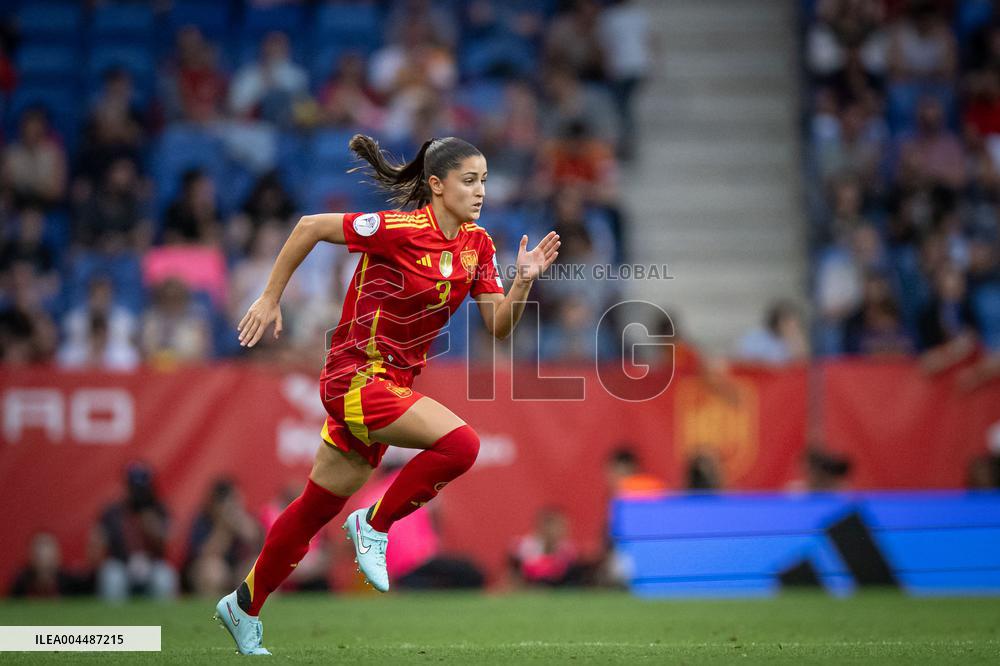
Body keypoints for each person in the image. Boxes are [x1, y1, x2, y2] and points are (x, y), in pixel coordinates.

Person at [215, 134, 560, 655]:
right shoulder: (398, 229)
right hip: (353, 376)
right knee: (462, 445)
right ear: (438, 185)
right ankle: (374, 525)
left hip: (392, 386)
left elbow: (499, 325)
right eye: (469, 180)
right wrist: (269, 298)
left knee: (312, 510)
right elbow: (309, 227)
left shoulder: (479, 246)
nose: (480, 190)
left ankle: (243, 605)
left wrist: (524, 281)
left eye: (485, 180)